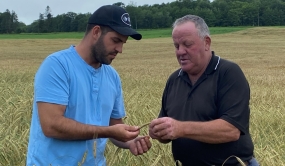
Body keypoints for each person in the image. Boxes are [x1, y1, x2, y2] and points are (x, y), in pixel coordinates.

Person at [26, 5, 151, 166]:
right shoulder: (57, 66)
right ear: (96, 32)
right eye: (116, 41)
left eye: (123, 43)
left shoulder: (112, 76)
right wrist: (108, 131)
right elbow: (51, 125)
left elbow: (114, 127)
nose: (120, 50)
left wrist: (129, 141)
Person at [148, 15, 259, 166]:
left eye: (187, 44)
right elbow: (168, 132)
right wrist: (159, 132)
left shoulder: (228, 73)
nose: (180, 51)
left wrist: (180, 128)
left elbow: (231, 130)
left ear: (206, 42)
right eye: (176, 46)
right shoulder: (174, 80)